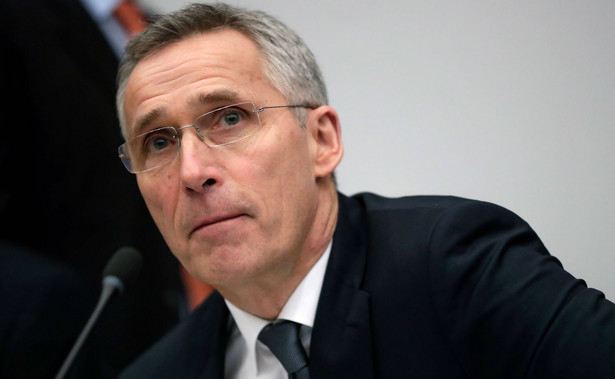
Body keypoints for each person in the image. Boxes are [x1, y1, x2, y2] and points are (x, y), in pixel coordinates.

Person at [116, 3, 615, 378]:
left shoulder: (454, 263)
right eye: (158, 141)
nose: (192, 171)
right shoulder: (158, 372)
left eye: (229, 118)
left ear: (321, 141)